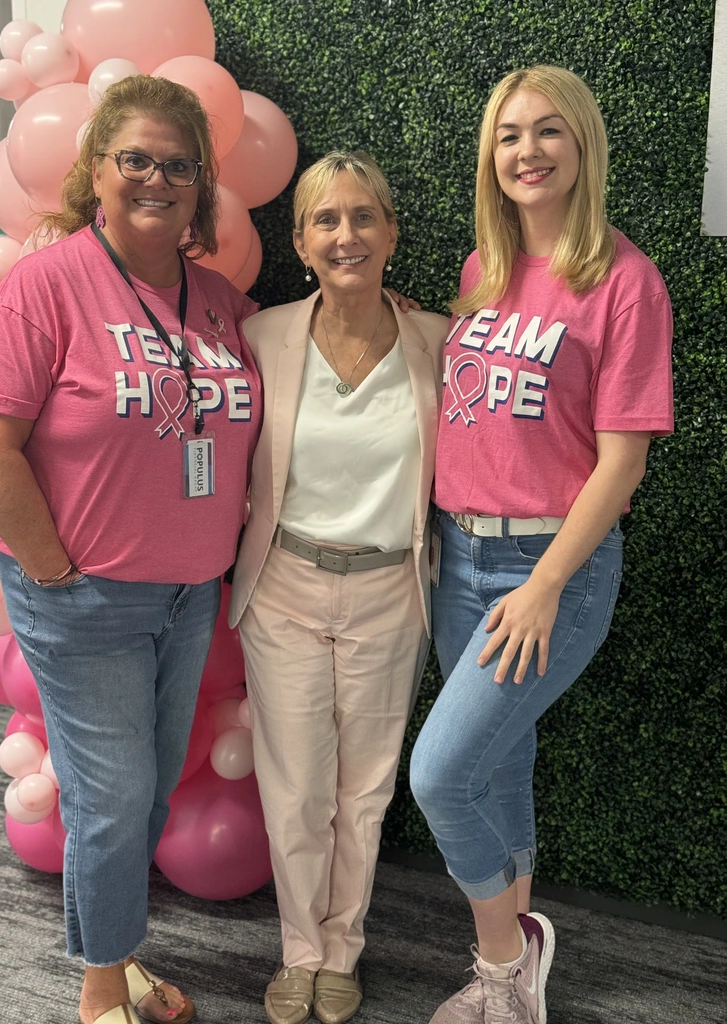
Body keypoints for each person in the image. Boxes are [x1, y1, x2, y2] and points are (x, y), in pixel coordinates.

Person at [0, 76, 261, 1024]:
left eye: (178, 165)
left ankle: (117, 954)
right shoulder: (46, 286)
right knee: (112, 797)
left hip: (189, 596)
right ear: (97, 170)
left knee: (143, 793)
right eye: (136, 158)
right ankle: (99, 995)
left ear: (200, 185)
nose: (157, 179)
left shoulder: (217, 301)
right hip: (84, 596)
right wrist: (52, 574)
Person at [409, 66, 674, 1024]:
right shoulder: (482, 269)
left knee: (440, 776)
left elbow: (623, 463)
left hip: (547, 570)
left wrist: (548, 583)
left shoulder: (625, 282)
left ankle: (502, 960)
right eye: (510, 134)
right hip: (459, 557)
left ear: (583, 146)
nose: (527, 151)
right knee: (499, 763)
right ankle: (516, 975)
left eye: (548, 131)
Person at [228, 151, 447, 1024]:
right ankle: (301, 952)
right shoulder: (262, 337)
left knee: (365, 789)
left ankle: (343, 949)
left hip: (393, 591)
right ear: (300, 242)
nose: (346, 235)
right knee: (295, 789)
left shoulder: (441, 341)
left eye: (362, 217)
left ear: (391, 232)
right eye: (326, 220)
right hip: (284, 583)